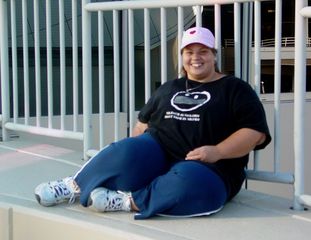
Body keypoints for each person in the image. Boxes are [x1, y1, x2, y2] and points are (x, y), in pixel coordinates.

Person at [35, 26, 271, 220]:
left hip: (208, 166)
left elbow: (255, 133)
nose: (196, 58)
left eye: (203, 51)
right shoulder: (169, 88)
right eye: (189, 52)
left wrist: (217, 151)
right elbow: (142, 125)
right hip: (159, 156)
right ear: (182, 56)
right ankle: (74, 187)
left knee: (189, 183)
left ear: (214, 55)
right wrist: (128, 159)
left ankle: (130, 201)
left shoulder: (235, 88)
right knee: (124, 149)